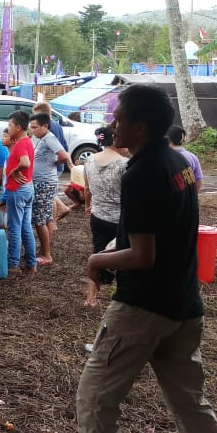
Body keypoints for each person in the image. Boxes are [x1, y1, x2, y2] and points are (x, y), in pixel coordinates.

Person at [45, 84, 217, 433]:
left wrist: (96, 259)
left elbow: (143, 255)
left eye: (119, 117)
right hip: (184, 304)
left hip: (143, 308)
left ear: (139, 127)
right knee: (193, 407)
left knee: (94, 396)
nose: (113, 125)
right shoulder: (178, 162)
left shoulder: (142, 172)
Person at [81, 125, 127, 306]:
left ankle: (91, 298)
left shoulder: (89, 160)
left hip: (98, 216)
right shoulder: (124, 163)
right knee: (123, 258)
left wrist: (87, 205)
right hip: (120, 220)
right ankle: (121, 297)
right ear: (115, 139)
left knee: (98, 254)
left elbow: (87, 188)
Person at [0, 111, 36, 274]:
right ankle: (31, 263)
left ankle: (13, 263)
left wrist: (13, 171)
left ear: (18, 127)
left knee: (14, 227)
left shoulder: (20, 144)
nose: (8, 128)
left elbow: (25, 163)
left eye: (10, 125)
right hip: (27, 187)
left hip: (18, 189)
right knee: (25, 226)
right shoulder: (27, 142)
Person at [29, 112, 70, 267]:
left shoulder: (49, 138)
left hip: (45, 183)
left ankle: (46, 254)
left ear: (45, 126)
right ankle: (43, 250)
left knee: (40, 219)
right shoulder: (40, 138)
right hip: (39, 182)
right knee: (44, 218)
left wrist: (54, 163)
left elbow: (64, 156)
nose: (33, 130)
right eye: (32, 127)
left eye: (35, 127)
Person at [169, 125, 203, 192]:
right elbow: (198, 181)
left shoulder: (165, 157)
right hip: (187, 195)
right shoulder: (191, 156)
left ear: (168, 139)